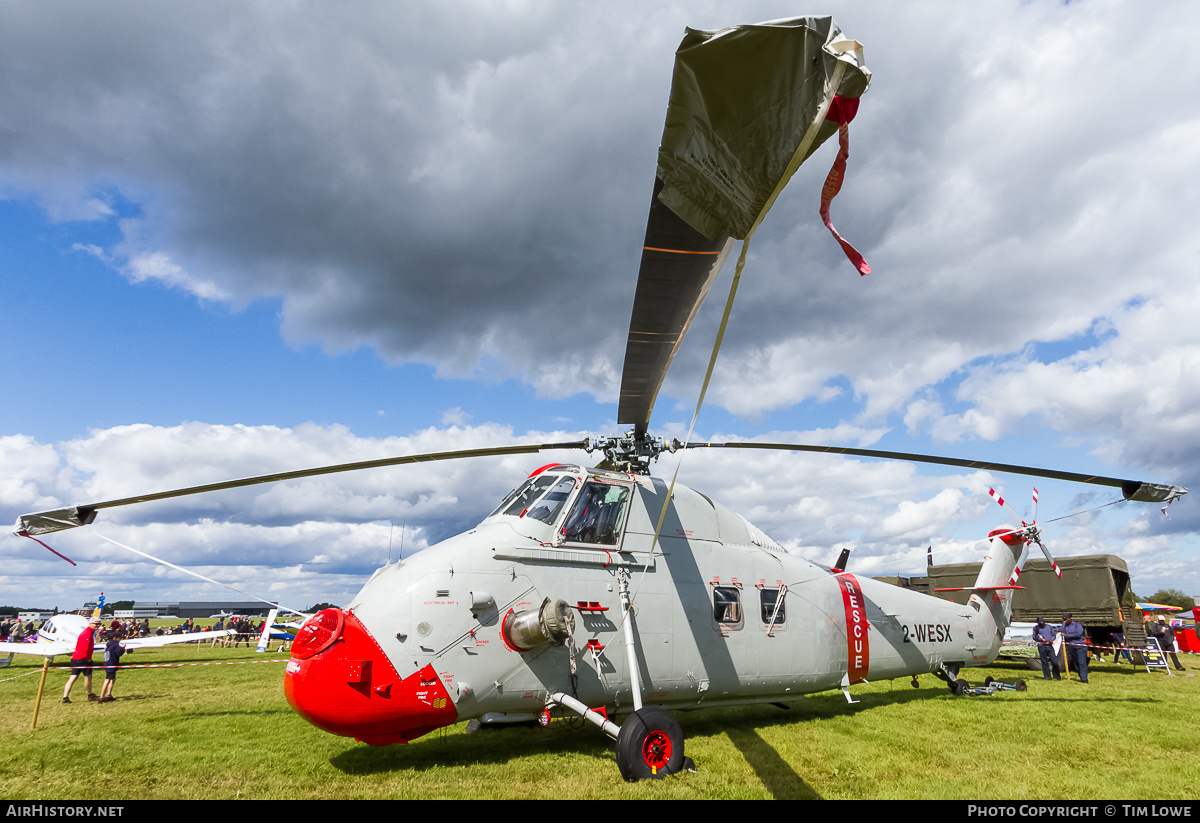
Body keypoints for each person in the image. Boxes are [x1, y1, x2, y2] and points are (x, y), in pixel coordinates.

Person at [62, 616, 102, 703]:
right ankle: (89, 695)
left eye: (99, 624)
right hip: (82, 659)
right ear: (90, 623)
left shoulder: (90, 632)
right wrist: (88, 659)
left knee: (75, 677)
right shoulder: (87, 633)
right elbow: (85, 648)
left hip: (77, 658)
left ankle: (65, 697)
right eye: (96, 624)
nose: (98, 626)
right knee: (85, 677)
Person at [99, 629, 130, 702]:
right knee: (107, 680)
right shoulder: (115, 645)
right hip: (111, 665)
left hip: (107, 664)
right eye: (119, 638)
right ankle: (101, 697)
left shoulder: (109, 644)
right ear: (114, 638)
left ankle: (109, 694)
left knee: (113, 679)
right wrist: (122, 648)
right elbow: (119, 653)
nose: (120, 639)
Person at [1060, 612, 1089, 684]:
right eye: (1064, 619)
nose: (1065, 620)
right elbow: (1060, 630)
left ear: (1070, 618)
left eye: (1066, 619)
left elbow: (1078, 634)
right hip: (1071, 646)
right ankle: (1081, 676)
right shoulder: (1065, 625)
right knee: (1075, 663)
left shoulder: (1077, 624)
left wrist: (1067, 635)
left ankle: (1084, 679)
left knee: (1082, 662)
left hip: (1080, 645)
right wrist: (1063, 623)